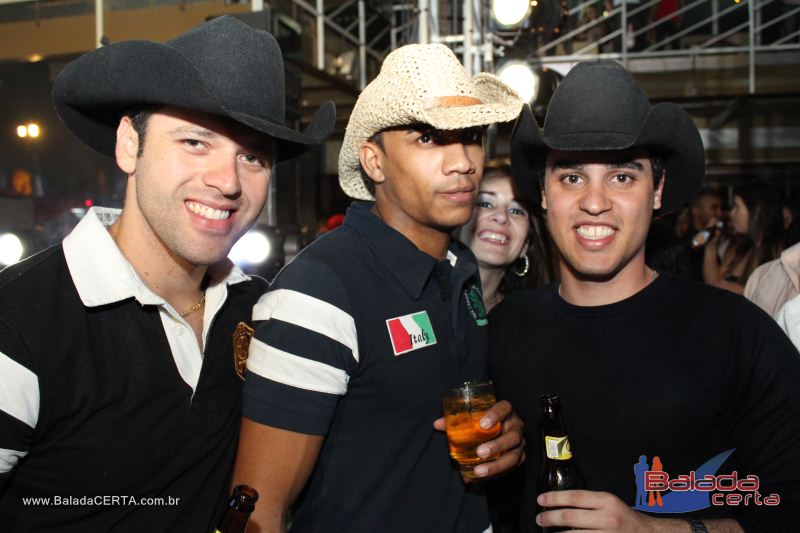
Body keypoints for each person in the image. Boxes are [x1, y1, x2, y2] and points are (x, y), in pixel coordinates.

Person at [0, 16, 334, 531]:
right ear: (128, 145)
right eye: (195, 142)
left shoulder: (262, 310)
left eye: (252, 156)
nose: (227, 181)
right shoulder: (18, 324)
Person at [494, 60, 800, 532]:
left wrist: (657, 530)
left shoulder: (734, 332)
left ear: (657, 191)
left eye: (622, 176)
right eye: (571, 177)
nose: (594, 202)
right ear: (543, 192)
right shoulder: (503, 329)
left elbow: (789, 506)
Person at [230, 43, 525, 532]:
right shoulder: (317, 290)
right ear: (374, 161)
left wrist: (503, 437)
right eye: (428, 138)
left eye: (471, 136)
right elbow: (259, 509)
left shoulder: (462, 267)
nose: (463, 162)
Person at [458, 166, 554, 313]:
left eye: (516, 210)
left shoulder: (530, 318)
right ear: (456, 225)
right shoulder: (423, 299)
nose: (501, 216)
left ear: (526, 245)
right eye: (485, 204)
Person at [704, 181, 783, 294]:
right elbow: (714, 282)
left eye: (737, 207)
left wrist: (731, 288)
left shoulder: (777, 253)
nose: (732, 213)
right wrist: (710, 245)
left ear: (757, 210)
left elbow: (768, 296)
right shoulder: (741, 246)